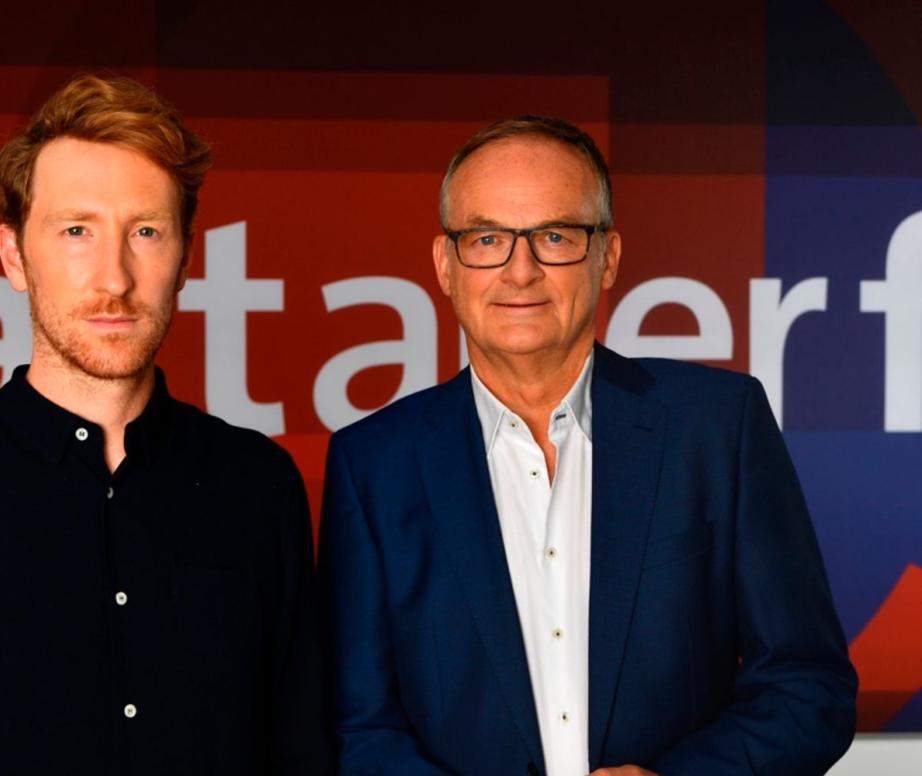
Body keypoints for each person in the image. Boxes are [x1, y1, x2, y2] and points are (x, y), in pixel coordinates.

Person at [0, 75, 331, 775]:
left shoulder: (258, 487)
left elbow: (304, 757)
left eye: (146, 231)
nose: (114, 276)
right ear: (15, 256)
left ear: (187, 258)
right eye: (77, 231)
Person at [317, 116, 857, 775]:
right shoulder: (373, 467)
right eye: (486, 238)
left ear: (609, 258)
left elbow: (808, 686)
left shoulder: (718, 427)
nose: (521, 271)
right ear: (446, 265)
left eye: (555, 236)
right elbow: (361, 727)